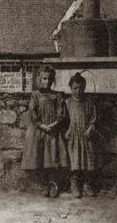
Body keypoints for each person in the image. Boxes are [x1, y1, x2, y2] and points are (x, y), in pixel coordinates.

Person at [21, 65, 68, 198]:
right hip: (39, 131)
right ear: (39, 79)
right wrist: (42, 125)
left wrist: (52, 125)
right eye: (44, 78)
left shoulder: (57, 95)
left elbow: (61, 114)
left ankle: (54, 184)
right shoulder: (35, 95)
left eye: (49, 79)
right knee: (40, 158)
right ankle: (44, 185)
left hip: (53, 131)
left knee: (53, 158)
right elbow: (32, 112)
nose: (46, 81)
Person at [65, 72, 100, 198]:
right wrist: (67, 130)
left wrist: (91, 127)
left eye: (81, 88)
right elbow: (63, 120)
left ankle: (87, 184)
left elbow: (94, 118)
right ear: (71, 88)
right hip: (73, 136)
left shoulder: (89, 102)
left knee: (88, 160)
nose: (78, 91)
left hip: (86, 135)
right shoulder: (67, 103)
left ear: (84, 88)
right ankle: (74, 184)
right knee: (74, 160)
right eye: (75, 88)